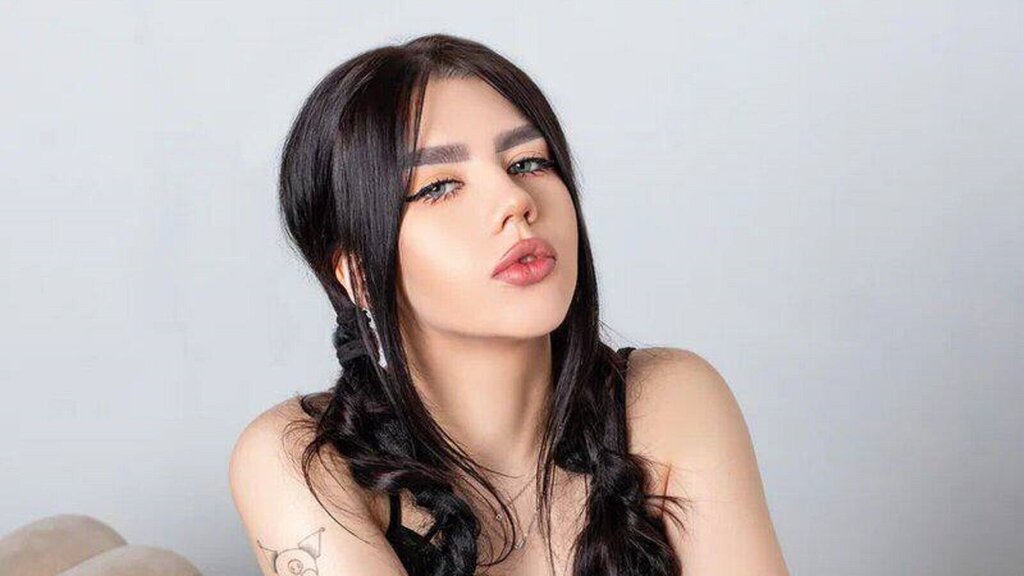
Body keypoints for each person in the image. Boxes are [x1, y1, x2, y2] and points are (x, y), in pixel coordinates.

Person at [228, 32, 789, 576]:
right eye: (438, 186)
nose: (515, 200)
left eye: (527, 163)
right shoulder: (299, 459)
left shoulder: (670, 400)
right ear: (356, 273)